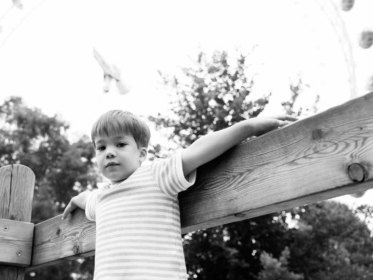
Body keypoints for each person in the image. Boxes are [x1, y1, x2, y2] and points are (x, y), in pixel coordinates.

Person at [62, 109, 296, 280]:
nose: (109, 153)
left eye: (120, 144)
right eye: (101, 148)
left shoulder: (156, 175)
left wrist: (247, 127)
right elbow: (86, 199)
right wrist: (76, 200)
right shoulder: (102, 198)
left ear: (142, 154)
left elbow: (198, 150)